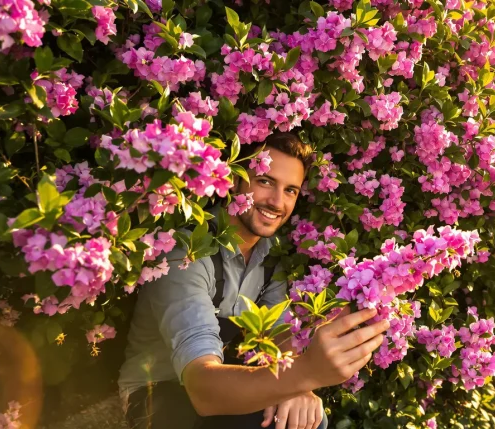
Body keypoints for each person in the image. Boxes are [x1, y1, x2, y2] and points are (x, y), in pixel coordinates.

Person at [119, 132, 389, 429]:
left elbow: (276, 345)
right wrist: (305, 373)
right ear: (234, 179)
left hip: (226, 375)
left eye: (290, 191)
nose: (276, 202)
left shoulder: (270, 258)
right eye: (265, 181)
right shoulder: (186, 253)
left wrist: (298, 388)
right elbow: (200, 387)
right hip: (158, 391)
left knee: (303, 416)